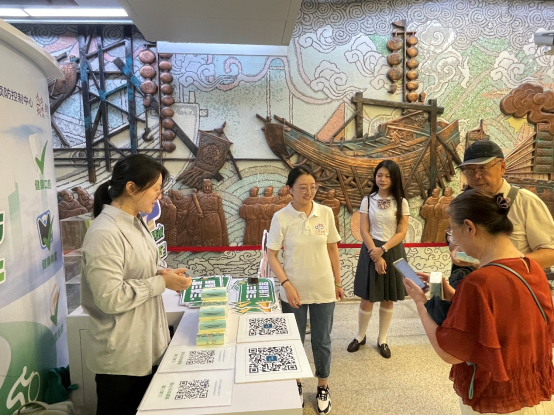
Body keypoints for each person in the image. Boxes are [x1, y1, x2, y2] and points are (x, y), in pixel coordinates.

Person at [405, 190, 554, 415]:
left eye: (451, 231)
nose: (453, 239)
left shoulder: (478, 282)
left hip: (496, 400)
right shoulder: (531, 268)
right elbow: (501, 314)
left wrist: (419, 302)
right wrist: (452, 293)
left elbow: (450, 354)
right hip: (533, 393)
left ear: (470, 227)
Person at [81, 155, 193, 415]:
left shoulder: (136, 221)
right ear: (131, 188)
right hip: (122, 357)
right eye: (155, 189)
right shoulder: (104, 233)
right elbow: (109, 297)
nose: (159, 196)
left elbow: (136, 267)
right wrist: (160, 282)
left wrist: (163, 274)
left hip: (146, 345)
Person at [267, 166, 344, 415]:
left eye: (313, 187)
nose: (308, 192)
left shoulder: (325, 213)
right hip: (293, 291)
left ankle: (323, 385)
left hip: (323, 288)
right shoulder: (281, 217)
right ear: (290, 189)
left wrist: (338, 282)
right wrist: (286, 284)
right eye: (302, 187)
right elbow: (272, 255)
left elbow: (332, 249)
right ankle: (296, 382)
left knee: (322, 340)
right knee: (294, 340)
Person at [449, 140, 554, 288]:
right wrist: (457, 250)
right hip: (474, 287)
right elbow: (454, 240)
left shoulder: (525, 201)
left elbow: (550, 252)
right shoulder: (463, 203)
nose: (477, 175)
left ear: (502, 167)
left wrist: (506, 266)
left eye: (483, 168)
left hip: (514, 288)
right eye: (470, 170)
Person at [348, 160, 410, 359]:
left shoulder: (401, 202)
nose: (382, 179)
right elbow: (363, 230)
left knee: (388, 298)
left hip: (393, 250)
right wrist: (375, 254)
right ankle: (360, 336)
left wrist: (383, 250)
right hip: (370, 249)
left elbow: (401, 232)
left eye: (387, 176)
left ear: (395, 178)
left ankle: (382, 339)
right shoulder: (368, 200)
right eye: (379, 175)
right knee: (367, 297)